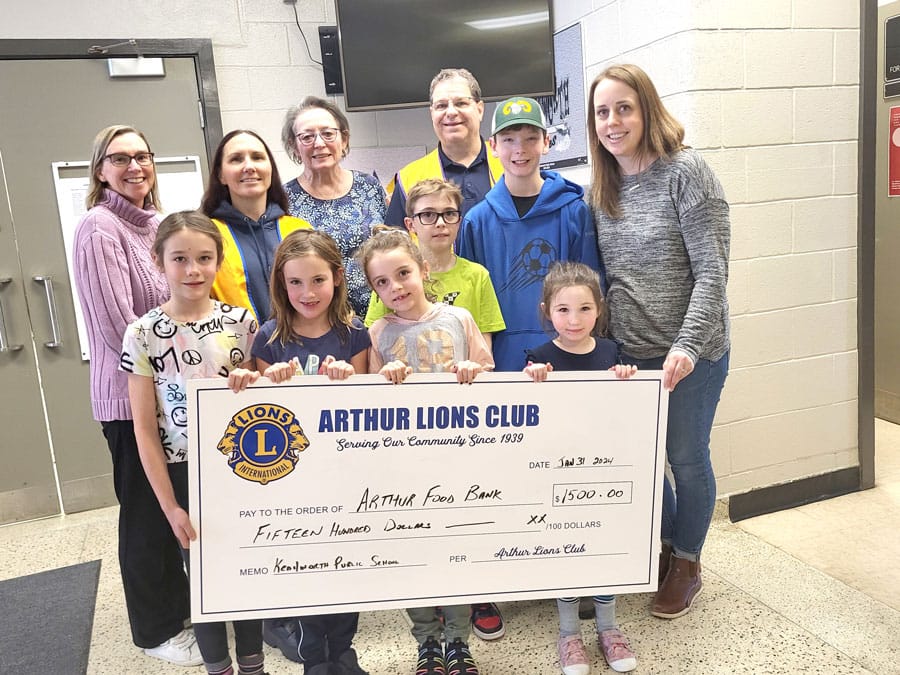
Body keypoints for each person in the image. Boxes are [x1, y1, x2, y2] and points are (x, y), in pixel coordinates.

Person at [587, 64, 730, 619]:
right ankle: (668, 544)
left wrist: (688, 346)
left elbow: (712, 274)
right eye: (602, 111)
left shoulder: (687, 172)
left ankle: (688, 562)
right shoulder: (603, 185)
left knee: (685, 459)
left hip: (692, 351)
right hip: (631, 352)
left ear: (647, 108)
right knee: (645, 462)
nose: (613, 121)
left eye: (624, 107)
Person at [72, 125, 200, 667]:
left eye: (143, 156)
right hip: (133, 404)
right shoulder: (99, 227)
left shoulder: (155, 226)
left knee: (176, 509)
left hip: (173, 398)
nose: (134, 166)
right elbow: (115, 327)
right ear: (100, 169)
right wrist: (173, 378)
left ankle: (184, 612)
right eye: (119, 158)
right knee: (148, 515)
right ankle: (157, 631)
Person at [122, 211, 267, 675]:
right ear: (158, 261)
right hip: (185, 475)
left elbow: (266, 400)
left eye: (204, 258)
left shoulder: (243, 323)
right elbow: (144, 429)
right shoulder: (142, 333)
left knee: (246, 571)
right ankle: (218, 667)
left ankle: (253, 664)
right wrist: (169, 506)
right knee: (202, 577)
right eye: (180, 258)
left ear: (218, 262)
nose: (193, 270)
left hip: (241, 467)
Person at [356, 226, 492, 675]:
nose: (395, 287)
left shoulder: (460, 320)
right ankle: (426, 641)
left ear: (424, 269)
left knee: (455, 549)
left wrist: (475, 370)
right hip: (403, 469)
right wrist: (383, 375)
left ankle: (458, 638)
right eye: (382, 282)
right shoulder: (375, 333)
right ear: (373, 289)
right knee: (411, 554)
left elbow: (491, 380)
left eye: (403, 273)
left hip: (458, 462)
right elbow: (368, 403)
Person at [251, 229, 370, 675]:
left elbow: (365, 411)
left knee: (346, 567)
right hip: (293, 481)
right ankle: (312, 654)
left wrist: (349, 382)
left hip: (344, 475)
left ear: (337, 278)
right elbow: (263, 413)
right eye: (295, 283)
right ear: (281, 284)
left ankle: (343, 649)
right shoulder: (269, 339)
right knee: (306, 567)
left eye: (317, 280)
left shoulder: (354, 334)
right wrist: (270, 381)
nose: (307, 292)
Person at [521, 262, 637, 674]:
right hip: (557, 476)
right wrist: (529, 379)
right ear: (546, 311)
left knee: (602, 549)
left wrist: (627, 379)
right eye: (564, 310)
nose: (574, 319)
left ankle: (608, 629)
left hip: (602, 473)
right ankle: (569, 636)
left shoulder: (611, 352)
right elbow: (527, 415)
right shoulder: (539, 359)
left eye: (585, 309)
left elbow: (625, 410)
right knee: (566, 552)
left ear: (599, 310)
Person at [458, 96, 600, 372]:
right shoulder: (476, 221)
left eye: (530, 138)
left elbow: (592, 290)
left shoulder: (573, 212)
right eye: (509, 139)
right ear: (493, 146)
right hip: (496, 359)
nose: (519, 149)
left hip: (564, 354)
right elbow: (469, 303)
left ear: (546, 143)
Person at [364, 178, 505, 347]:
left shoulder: (477, 276)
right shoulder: (390, 277)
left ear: (459, 221)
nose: (440, 223)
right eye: (428, 215)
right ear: (410, 224)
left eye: (449, 214)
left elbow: (483, 350)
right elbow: (376, 343)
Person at [281, 96, 387, 316]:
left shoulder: (369, 186)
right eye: (307, 137)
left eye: (328, 134)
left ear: (344, 139)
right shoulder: (283, 200)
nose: (319, 143)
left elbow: (390, 247)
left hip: (380, 316)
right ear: (294, 145)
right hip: (319, 323)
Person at [200, 129, 311, 322]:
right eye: (236, 159)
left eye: (257, 157)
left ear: (270, 169)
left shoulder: (300, 231)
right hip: (236, 349)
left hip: (303, 349)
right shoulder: (206, 237)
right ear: (221, 175)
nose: (249, 166)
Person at [384, 68, 504, 228]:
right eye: (441, 106)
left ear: (480, 109)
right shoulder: (409, 179)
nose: (451, 112)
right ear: (432, 113)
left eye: (461, 103)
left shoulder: (510, 163)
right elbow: (392, 247)